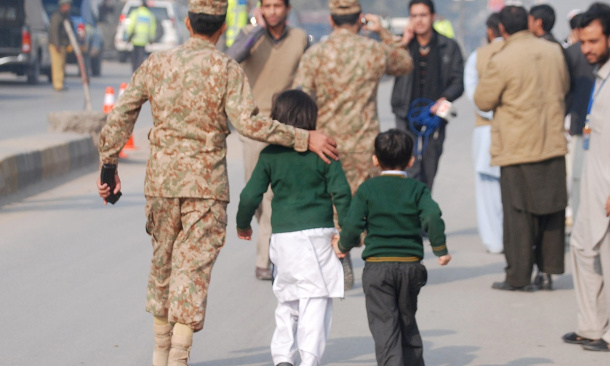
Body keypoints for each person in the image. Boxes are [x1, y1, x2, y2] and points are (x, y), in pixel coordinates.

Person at [96, 1, 338, 365]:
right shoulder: (225, 68)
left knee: (162, 266)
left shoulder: (157, 63)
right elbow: (251, 124)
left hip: (161, 185)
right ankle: (177, 357)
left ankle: (160, 356)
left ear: (187, 23)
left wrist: (107, 169)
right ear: (222, 28)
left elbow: (122, 114)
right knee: (191, 273)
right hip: (206, 189)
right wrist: (305, 138)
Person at [293, 0, 413, 290]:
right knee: (366, 204)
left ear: (332, 21)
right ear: (360, 20)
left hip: (326, 143)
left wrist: (305, 137)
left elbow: (301, 96)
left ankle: (338, 255)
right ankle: (374, 260)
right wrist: (383, 32)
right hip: (363, 142)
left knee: (334, 203)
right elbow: (404, 63)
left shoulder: (316, 54)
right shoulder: (373, 50)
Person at [236, 89, 352, 366]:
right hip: (319, 237)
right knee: (316, 298)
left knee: (287, 298)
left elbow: (249, 195)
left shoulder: (270, 155)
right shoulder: (325, 152)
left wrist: (243, 224)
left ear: (278, 119)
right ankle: (308, 359)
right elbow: (343, 195)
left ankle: (282, 356)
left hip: (283, 239)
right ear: (311, 117)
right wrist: (347, 234)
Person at [333, 129, 451, 366]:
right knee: (407, 319)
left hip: (378, 268)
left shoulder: (368, 189)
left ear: (375, 160)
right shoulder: (418, 189)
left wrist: (342, 245)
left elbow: (353, 223)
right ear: (410, 160)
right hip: (411, 267)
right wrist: (440, 249)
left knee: (385, 324)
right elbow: (432, 217)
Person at [474, 5, 569, 292]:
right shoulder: (553, 51)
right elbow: (564, 85)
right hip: (551, 142)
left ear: (502, 29)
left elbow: (483, 100)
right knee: (552, 210)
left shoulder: (501, 58)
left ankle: (518, 276)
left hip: (517, 147)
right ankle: (549, 271)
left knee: (518, 215)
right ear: (528, 22)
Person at [226, 0, 308, 281]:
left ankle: (265, 260)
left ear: (287, 8)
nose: (272, 11)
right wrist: (256, 30)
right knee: (256, 192)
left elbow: (306, 78)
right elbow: (230, 58)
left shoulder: (299, 38)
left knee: (274, 193)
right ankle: (268, 239)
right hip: (253, 125)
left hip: (285, 124)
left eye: (277, 6)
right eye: (267, 6)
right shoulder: (250, 35)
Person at [562, 3, 610, 352]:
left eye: (593, 41)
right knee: (581, 246)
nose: (586, 49)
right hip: (594, 176)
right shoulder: (601, 75)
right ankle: (592, 326)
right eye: (583, 42)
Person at [391, 0, 464, 192]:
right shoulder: (403, 45)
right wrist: (403, 43)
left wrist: (444, 98)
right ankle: (411, 212)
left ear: (432, 16)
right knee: (410, 165)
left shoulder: (448, 46)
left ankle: (424, 207)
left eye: (423, 15)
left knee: (430, 165)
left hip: (434, 117)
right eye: (414, 16)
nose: (419, 20)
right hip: (406, 114)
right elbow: (386, 67)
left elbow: (458, 81)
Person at [463, 13, 503, 254]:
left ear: (490, 32)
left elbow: (473, 95)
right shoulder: (517, 55)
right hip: (512, 129)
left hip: (485, 130)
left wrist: (490, 114)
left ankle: (494, 240)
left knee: (487, 190)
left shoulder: (477, 56)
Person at [564, 12, 595, 224]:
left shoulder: (572, 52)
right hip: (580, 126)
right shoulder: (574, 53)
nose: (587, 49)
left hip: (578, 125)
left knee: (577, 177)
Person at [48, 0, 72, 91]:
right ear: (63, 6)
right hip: (56, 44)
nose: (69, 7)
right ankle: (57, 84)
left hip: (63, 43)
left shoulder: (65, 15)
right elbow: (54, 31)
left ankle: (61, 82)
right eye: (67, 5)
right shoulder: (57, 16)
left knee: (62, 64)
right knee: (57, 64)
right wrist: (56, 44)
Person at [126, 0, 156, 72]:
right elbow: (152, 28)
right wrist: (151, 39)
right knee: (141, 57)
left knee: (134, 58)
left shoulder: (135, 13)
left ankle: (134, 71)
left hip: (135, 39)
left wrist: (129, 36)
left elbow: (131, 26)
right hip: (144, 40)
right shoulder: (150, 15)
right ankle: (139, 71)